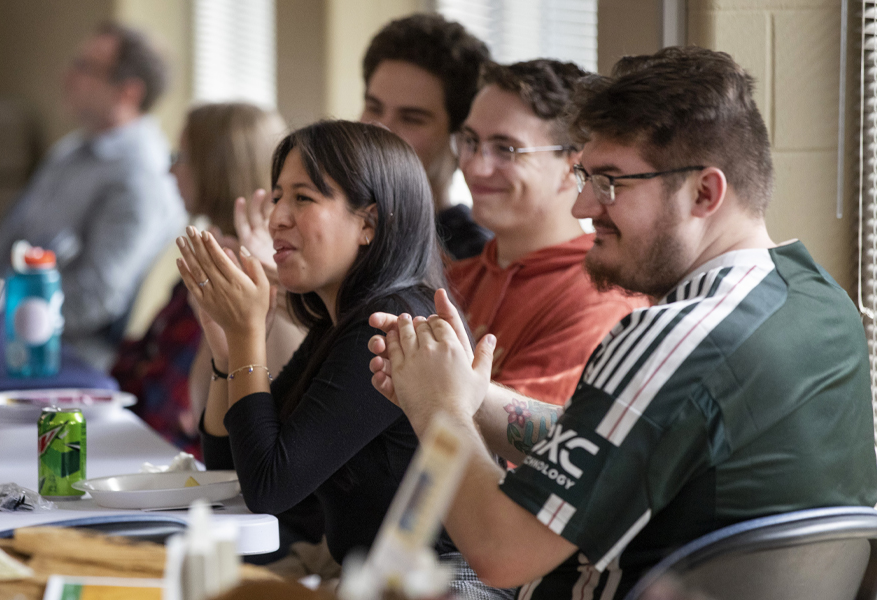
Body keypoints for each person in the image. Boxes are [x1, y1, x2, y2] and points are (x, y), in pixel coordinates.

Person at [368, 47, 877, 599]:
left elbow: (501, 551)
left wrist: (437, 410)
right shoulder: (820, 302)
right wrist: (472, 397)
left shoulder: (674, 336)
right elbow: (610, 442)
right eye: (586, 176)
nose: (584, 205)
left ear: (704, 192)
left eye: (610, 182)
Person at [177, 120, 510, 599]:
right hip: (381, 580)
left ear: (368, 224)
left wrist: (250, 333)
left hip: (447, 584)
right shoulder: (340, 324)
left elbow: (269, 488)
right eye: (276, 197)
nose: (277, 218)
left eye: (303, 198)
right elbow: (231, 468)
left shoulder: (390, 327)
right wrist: (229, 352)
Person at [0, 22, 184, 369]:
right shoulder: (70, 151)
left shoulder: (142, 176)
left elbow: (95, 298)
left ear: (128, 92)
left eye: (85, 68)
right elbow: (7, 239)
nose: (67, 75)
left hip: (57, 350)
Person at [448, 60, 646, 405]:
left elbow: (508, 448)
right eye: (470, 141)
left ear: (573, 168)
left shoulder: (599, 301)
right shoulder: (455, 277)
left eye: (506, 149)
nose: (476, 167)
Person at [111, 102, 302, 458]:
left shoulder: (253, 272)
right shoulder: (212, 251)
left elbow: (186, 411)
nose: (171, 170)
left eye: (180, 156)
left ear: (217, 168)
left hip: (175, 453)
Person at [361, 13, 493, 260]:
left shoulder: (474, 256)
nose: (381, 129)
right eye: (374, 108)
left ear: (462, 138)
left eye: (411, 118)